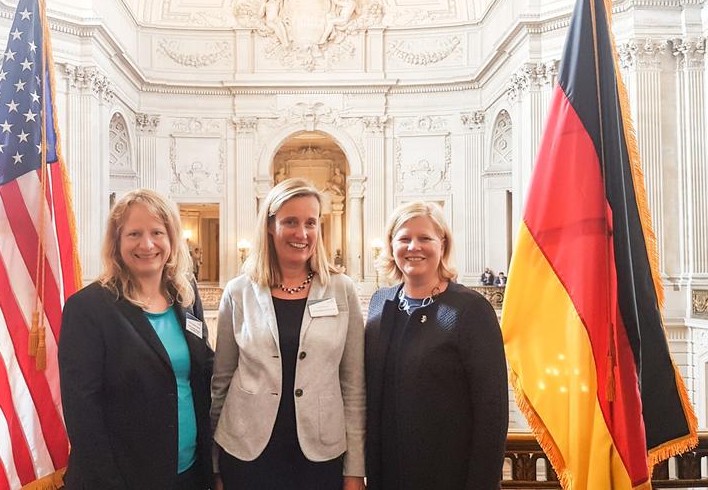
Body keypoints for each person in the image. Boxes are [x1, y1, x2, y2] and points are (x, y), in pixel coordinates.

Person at [211, 178, 365, 490]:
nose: (302, 233)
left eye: (311, 222)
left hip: (321, 451)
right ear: (270, 226)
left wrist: (356, 468)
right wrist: (212, 462)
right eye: (290, 222)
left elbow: (354, 385)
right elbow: (221, 380)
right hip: (246, 448)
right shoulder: (238, 291)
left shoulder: (341, 289)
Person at [59, 189, 214, 490]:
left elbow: (203, 371)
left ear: (171, 239)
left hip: (189, 473)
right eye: (134, 234)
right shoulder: (88, 308)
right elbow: (83, 414)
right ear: (116, 242)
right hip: (123, 479)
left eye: (157, 232)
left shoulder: (186, 295)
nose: (147, 244)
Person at [365, 201, 508, 490]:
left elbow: (492, 411)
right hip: (388, 474)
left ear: (442, 244)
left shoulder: (470, 309)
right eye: (404, 238)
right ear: (391, 246)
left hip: (449, 473)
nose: (413, 247)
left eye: (425, 238)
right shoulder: (380, 302)